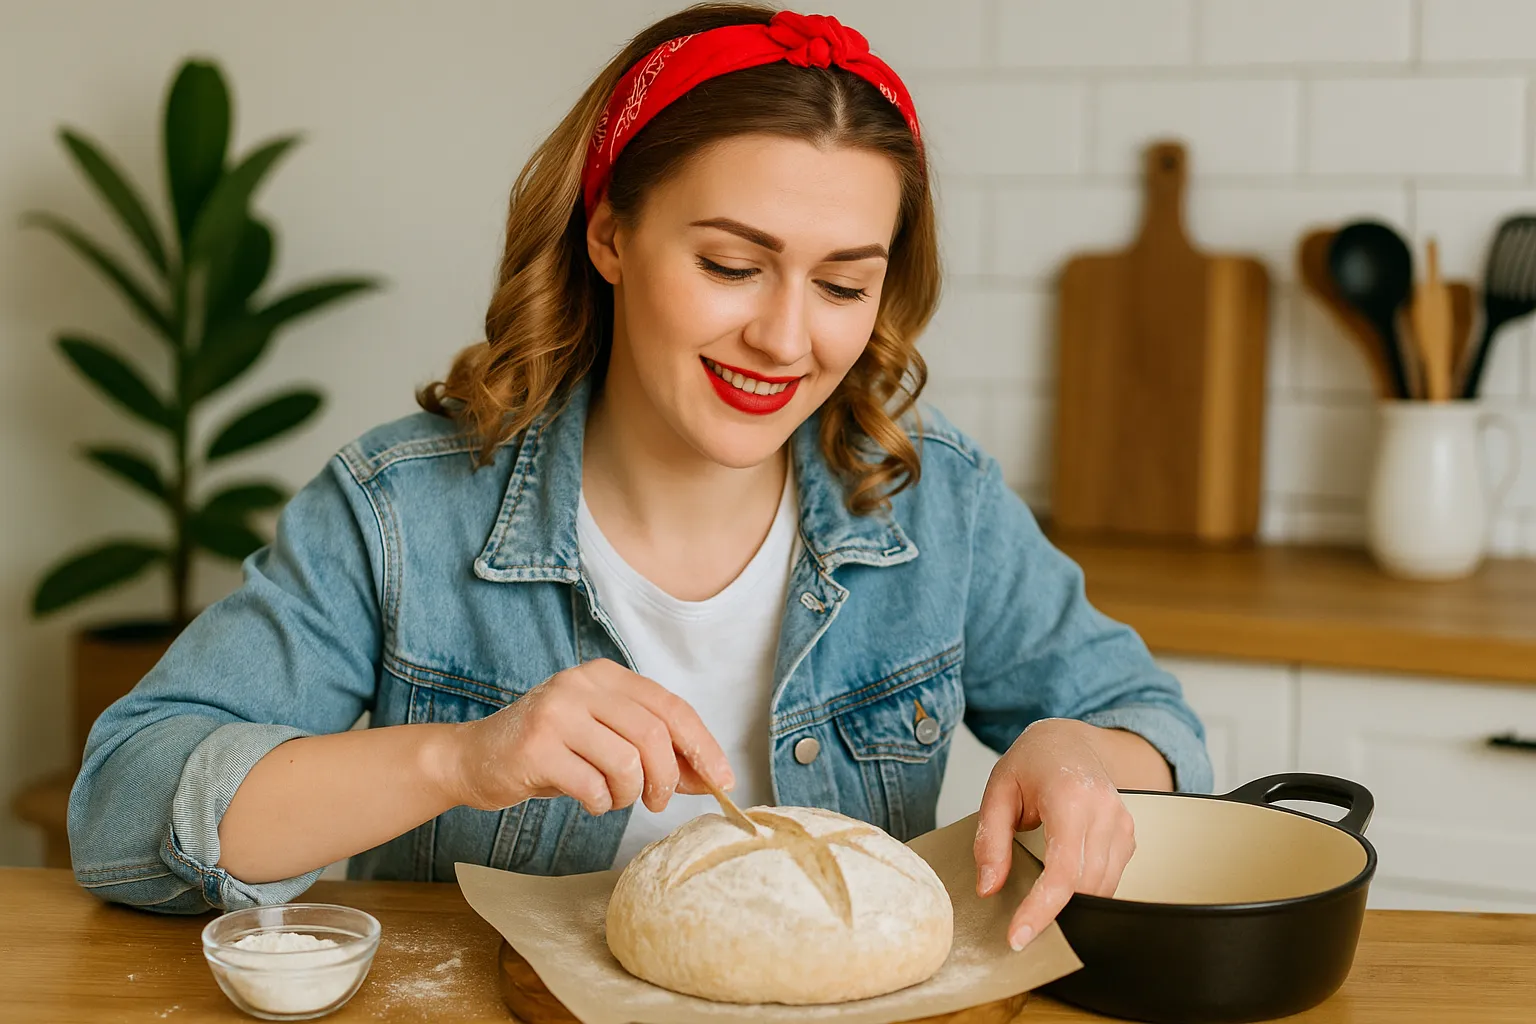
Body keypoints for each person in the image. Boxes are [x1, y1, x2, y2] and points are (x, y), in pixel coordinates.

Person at [68, 3, 1211, 953]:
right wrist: (460, 756)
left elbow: (1152, 727)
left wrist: (1081, 751)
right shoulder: (405, 508)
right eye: (730, 263)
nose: (785, 338)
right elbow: (122, 806)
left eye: (843, 284)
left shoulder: (930, 497)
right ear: (610, 235)